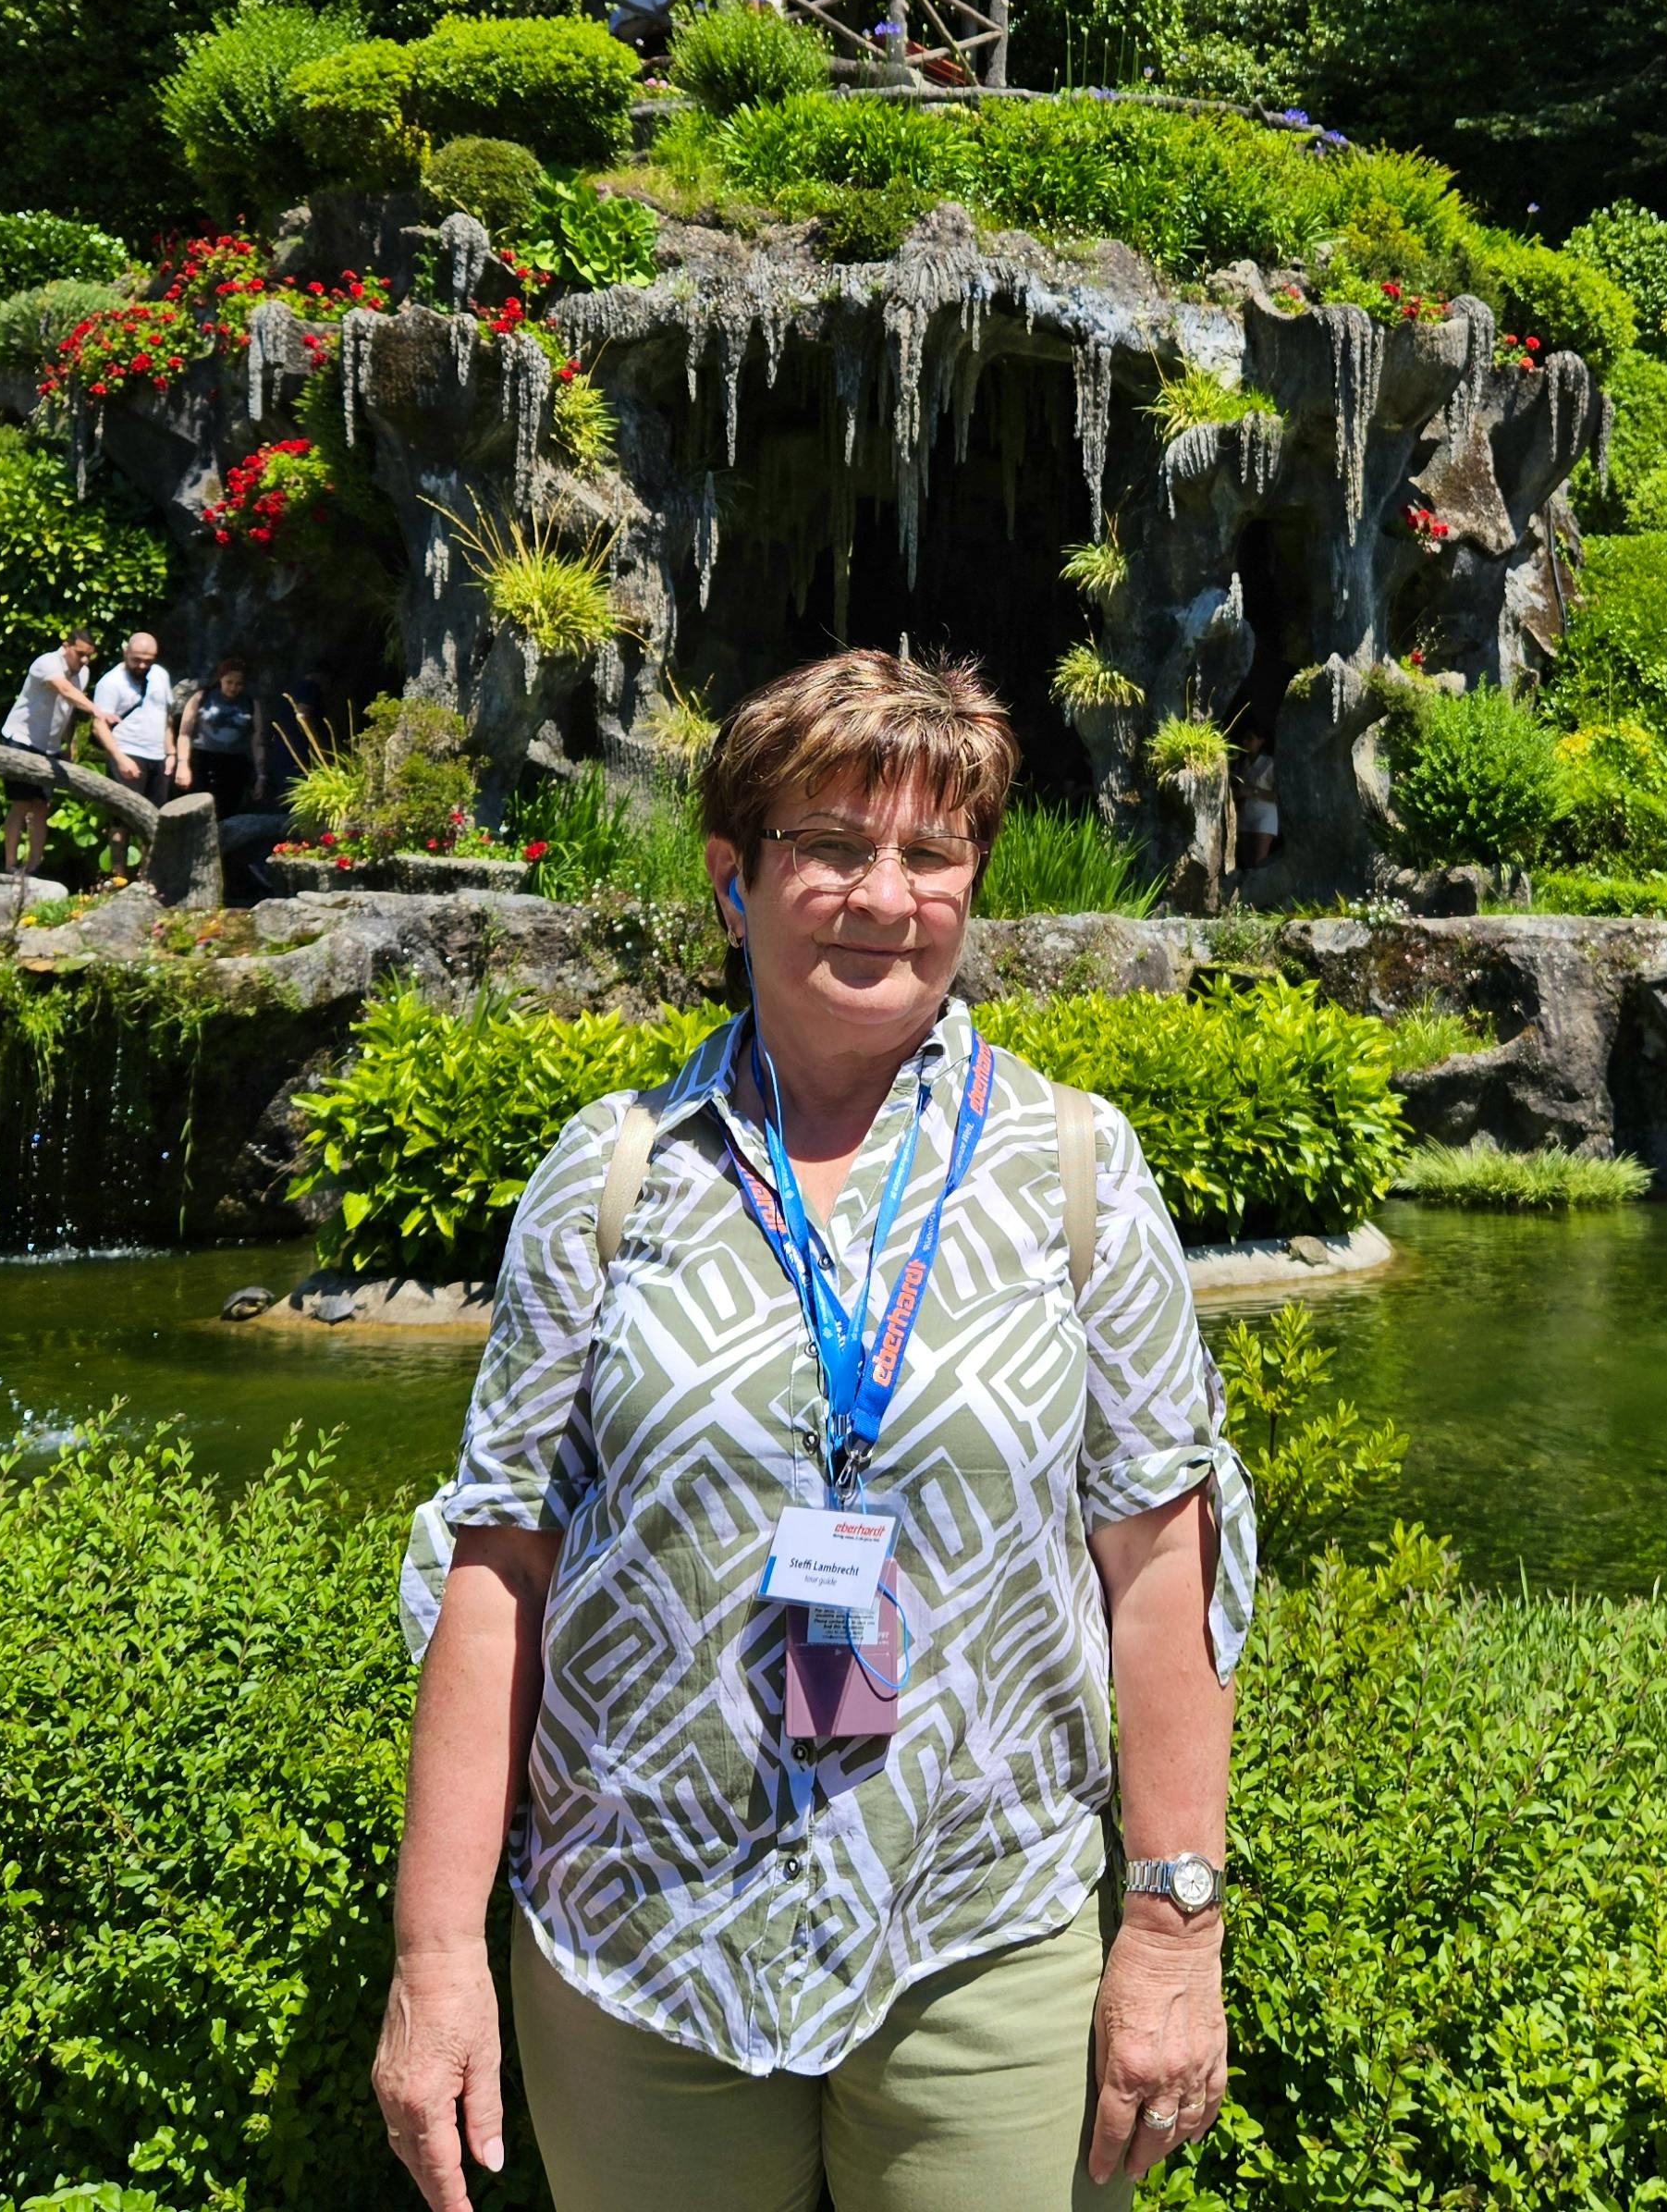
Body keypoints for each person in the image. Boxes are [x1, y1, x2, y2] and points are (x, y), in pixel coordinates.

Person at [374, 648, 1249, 2212]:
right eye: (830, 846)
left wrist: (1175, 1930)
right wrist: (438, 1962)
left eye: (929, 854)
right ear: (732, 880)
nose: (882, 894)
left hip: (979, 1935)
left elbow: (1158, 1559)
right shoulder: (613, 1174)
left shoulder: (1075, 1173)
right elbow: (498, 1561)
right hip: (638, 1945)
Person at [0, 631, 119, 878]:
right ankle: (10, 865)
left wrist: (69, 744)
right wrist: (98, 711)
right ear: (66, 646)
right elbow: (64, 690)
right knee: (21, 803)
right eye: (80, 654)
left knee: (42, 806)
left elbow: (69, 710)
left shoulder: (82, 673)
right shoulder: (47, 664)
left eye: (89, 656)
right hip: (21, 740)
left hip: (50, 747)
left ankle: (33, 867)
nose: (84, 661)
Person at [93, 631, 177, 880]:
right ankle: (118, 876)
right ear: (125, 652)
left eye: (147, 661)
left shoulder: (160, 675)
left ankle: (147, 877)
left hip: (157, 755)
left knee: (154, 819)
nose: (142, 666)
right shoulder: (111, 683)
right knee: (122, 819)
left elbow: (167, 716)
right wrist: (120, 759)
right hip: (127, 752)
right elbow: (99, 726)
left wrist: (171, 752)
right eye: (137, 659)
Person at [185, 653, 269, 813]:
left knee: (227, 809)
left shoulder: (251, 703)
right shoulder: (202, 697)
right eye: (229, 682)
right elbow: (185, 733)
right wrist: (183, 764)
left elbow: (258, 740)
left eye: (238, 684)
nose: (233, 688)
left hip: (235, 763)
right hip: (203, 760)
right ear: (220, 679)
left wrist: (261, 776)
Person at [1236, 754, 1279, 873]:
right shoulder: (1243, 762)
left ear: (1261, 741)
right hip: (1245, 815)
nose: (1245, 742)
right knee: (1245, 864)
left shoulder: (1269, 763)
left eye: (1250, 739)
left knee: (1258, 864)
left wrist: (1253, 792)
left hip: (1264, 817)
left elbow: (1277, 795)